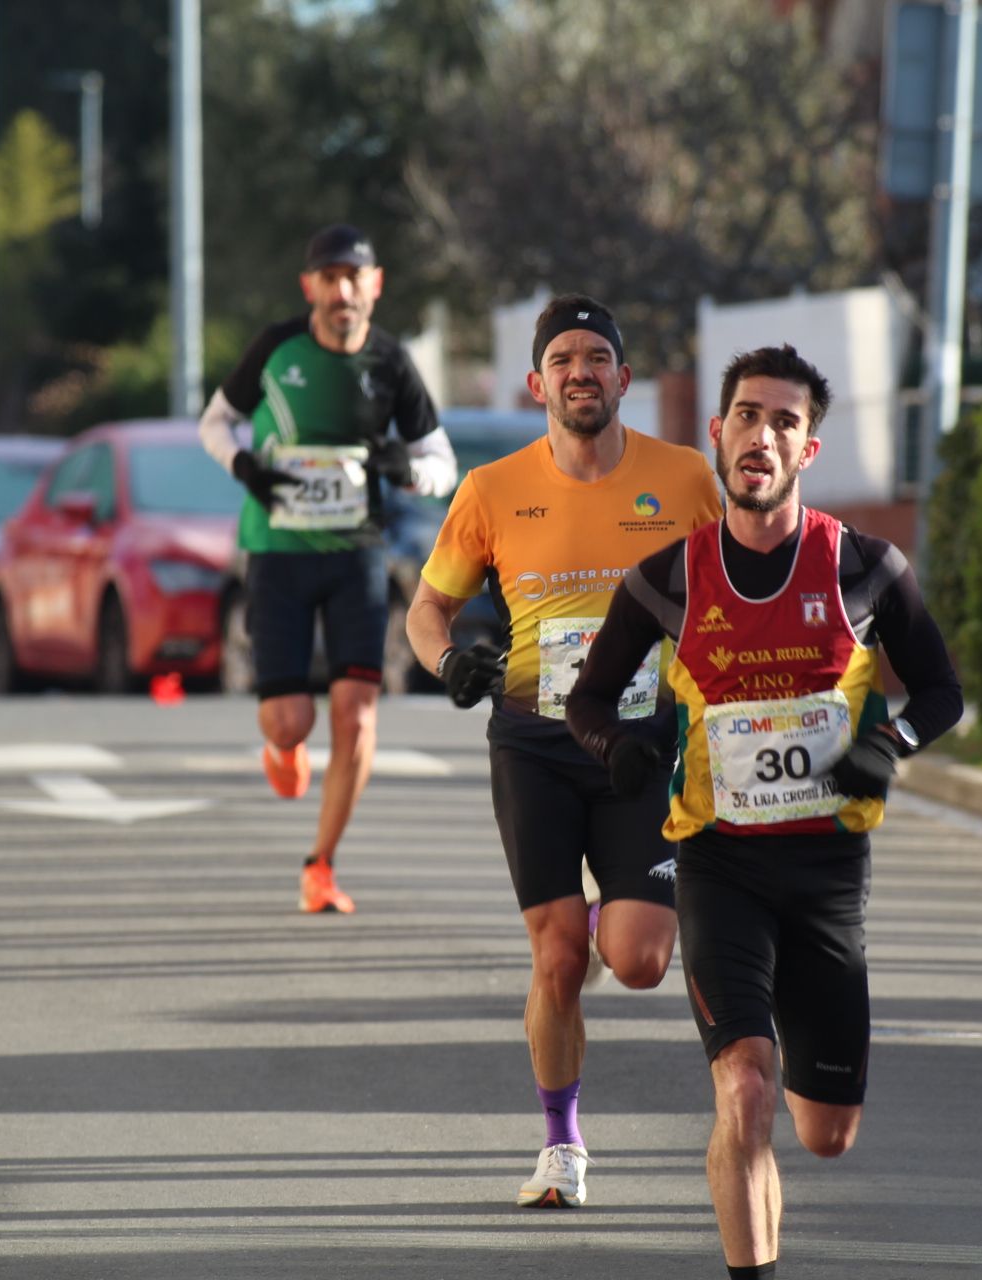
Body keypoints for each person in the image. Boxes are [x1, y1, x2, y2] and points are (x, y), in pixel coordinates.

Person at [565, 345, 962, 1279]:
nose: (762, 434)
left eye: (784, 422)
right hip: (719, 868)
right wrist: (619, 749)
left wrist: (889, 746)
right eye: (747, 415)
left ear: (807, 450)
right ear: (718, 433)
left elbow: (941, 689)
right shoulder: (666, 578)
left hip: (825, 877)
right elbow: (589, 702)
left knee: (824, 1135)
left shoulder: (863, 567)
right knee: (744, 1090)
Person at [406, 294, 724, 1209]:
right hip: (536, 744)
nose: (580, 372)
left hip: (638, 748)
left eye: (597, 357)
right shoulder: (493, 489)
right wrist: (450, 661)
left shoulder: (687, 479)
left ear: (624, 379)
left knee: (636, 960)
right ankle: (562, 1144)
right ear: (536, 381)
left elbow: (730, 592)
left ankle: (594, 919)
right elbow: (428, 610)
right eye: (563, 359)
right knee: (553, 963)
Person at [198, 223, 456, 915]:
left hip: (356, 556)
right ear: (309, 286)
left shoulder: (391, 363)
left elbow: (442, 464)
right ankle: (282, 747)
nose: (342, 290)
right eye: (330, 277)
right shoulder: (277, 349)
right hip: (279, 552)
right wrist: (244, 466)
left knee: (358, 716)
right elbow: (214, 423)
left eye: (355, 277)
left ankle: (321, 864)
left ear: (375, 286)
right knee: (289, 723)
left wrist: (405, 468)